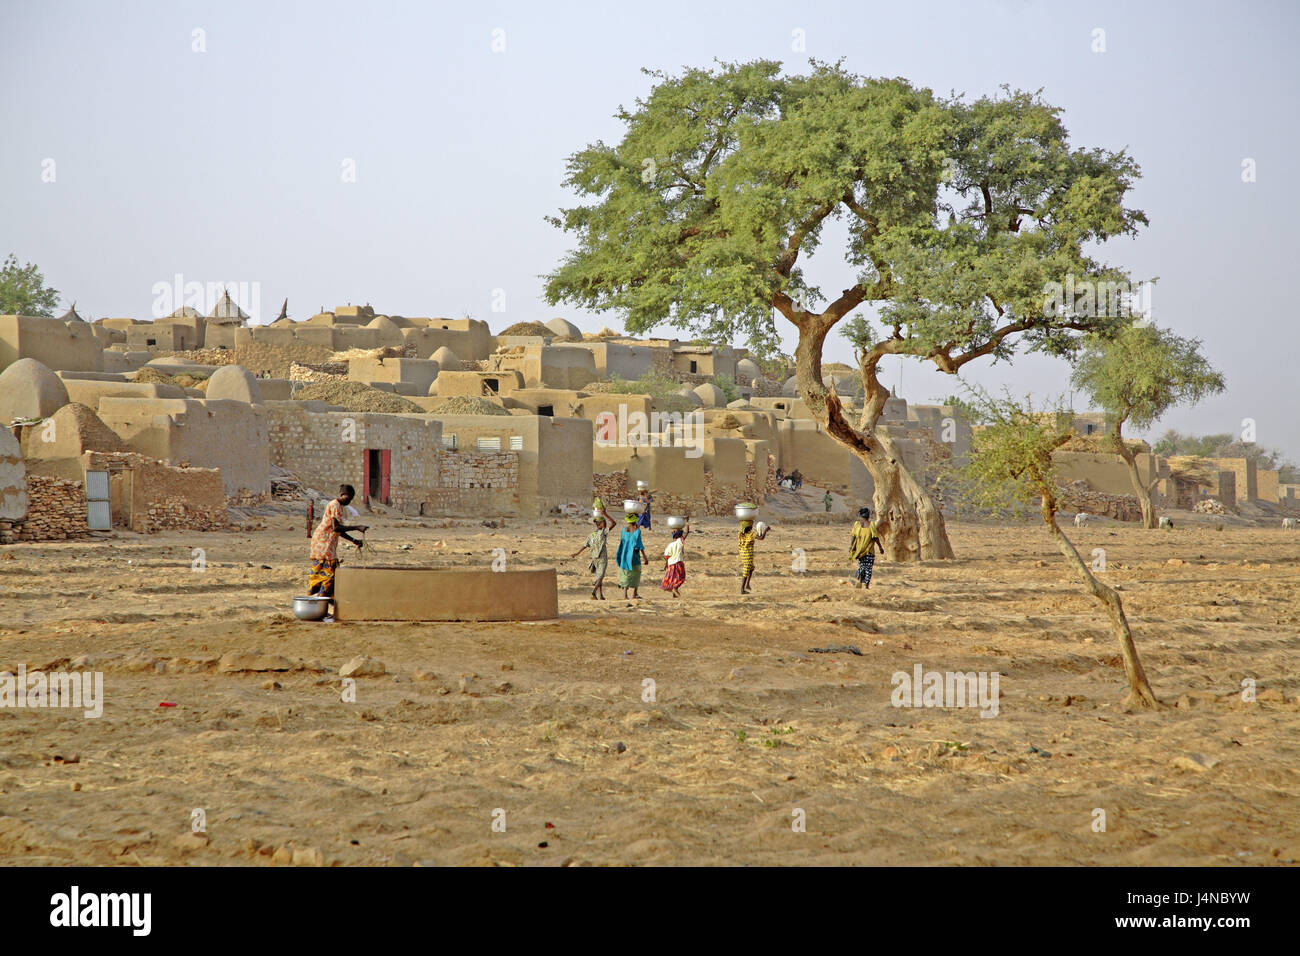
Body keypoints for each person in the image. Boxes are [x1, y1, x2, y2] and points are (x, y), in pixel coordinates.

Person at [307, 484, 368, 620]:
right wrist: (357, 527)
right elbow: (336, 528)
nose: (349, 501)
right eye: (349, 498)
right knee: (328, 578)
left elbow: (338, 530)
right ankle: (319, 610)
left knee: (330, 578)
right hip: (323, 545)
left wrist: (354, 540)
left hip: (328, 545)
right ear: (342, 495)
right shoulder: (334, 505)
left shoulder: (339, 507)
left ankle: (324, 608)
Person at [572, 516, 610, 600]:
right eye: (604, 523)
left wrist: (577, 553)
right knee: (600, 576)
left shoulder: (592, 535)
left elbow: (585, 545)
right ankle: (594, 592)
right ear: (601, 524)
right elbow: (614, 523)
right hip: (602, 557)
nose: (605, 524)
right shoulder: (603, 532)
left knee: (599, 576)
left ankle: (601, 595)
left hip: (594, 558)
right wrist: (605, 514)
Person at [849, 506, 884, 589]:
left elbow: (853, 536)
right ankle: (864, 584)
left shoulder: (859, 525)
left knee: (862, 567)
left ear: (860, 516)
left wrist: (851, 546)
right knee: (867, 568)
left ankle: (860, 582)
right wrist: (880, 547)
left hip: (862, 550)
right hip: (866, 551)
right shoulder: (868, 525)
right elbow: (875, 537)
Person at [615, 513, 649, 599]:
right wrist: (645, 557)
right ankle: (635, 593)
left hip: (625, 555)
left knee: (626, 573)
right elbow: (639, 544)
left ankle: (625, 594)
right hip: (634, 556)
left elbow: (622, 542)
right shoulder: (637, 531)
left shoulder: (623, 530)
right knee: (637, 572)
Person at [738, 517, 768, 595]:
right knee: (746, 571)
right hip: (748, 555)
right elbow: (761, 538)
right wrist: (765, 530)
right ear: (750, 527)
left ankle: (747, 584)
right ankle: (742, 589)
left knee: (751, 568)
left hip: (743, 554)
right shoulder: (751, 534)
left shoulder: (741, 534)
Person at [660, 521, 689, 597]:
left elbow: (666, 556)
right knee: (680, 578)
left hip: (671, 564)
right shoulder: (680, 542)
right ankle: (675, 589)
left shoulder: (670, 545)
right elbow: (687, 532)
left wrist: (666, 564)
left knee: (673, 579)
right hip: (678, 563)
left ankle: (674, 595)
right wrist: (687, 522)